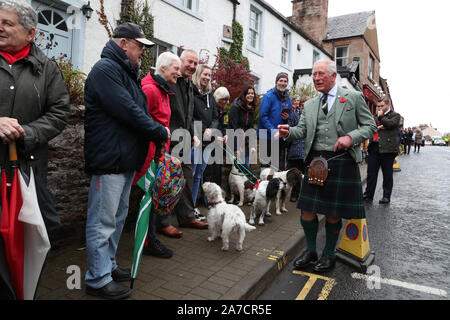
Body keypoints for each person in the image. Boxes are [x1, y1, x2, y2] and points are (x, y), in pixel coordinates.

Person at [83, 22, 170, 300]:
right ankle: (97, 279)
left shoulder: (125, 72)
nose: (143, 53)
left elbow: (136, 109)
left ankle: (106, 267)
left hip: (123, 160)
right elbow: (129, 110)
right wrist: (157, 130)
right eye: (140, 47)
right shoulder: (105, 70)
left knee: (117, 219)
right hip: (109, 159)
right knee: (102, 221)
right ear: (124, 43)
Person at [277, 60, 377, 273]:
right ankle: (311, 251)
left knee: (333, 213)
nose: (316, 78)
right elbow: (301, 130)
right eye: (314, 74)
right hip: (315, 162)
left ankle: (329, 253)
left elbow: (370, 125)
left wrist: (351, 137)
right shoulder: (311, 104)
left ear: (333, 76)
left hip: (341, 160)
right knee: (306, 210)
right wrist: (289, 131)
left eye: (320, 73)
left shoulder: (353, 98)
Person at [0, 1, 70, 237]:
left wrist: (28, 132)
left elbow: (60, 112)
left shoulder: (47, 70)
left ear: (30, 33)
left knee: (36, 235)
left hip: (27, 170)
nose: (0, 28)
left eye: (7, 23)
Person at [130, 51, 181, 259]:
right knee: (148, 199)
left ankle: (149, 238)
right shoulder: (150, 90)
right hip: (148, 156)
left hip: (158, 154)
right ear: (163, 68)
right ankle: (149, 241)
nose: (179, 73)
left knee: (153, 198)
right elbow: (140, 122)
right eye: (175, 69)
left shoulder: (163, 90)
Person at [160, 49, 208, 239]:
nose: (192, 66)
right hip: (170, 138)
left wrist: (193, 134)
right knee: (167, 180)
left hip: (185, 139)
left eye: (195, 64)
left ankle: (187, 216)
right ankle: (163, 222)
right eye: (189, 62)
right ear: (180, 61)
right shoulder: (172, 80)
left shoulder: (188, 83)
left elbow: (189, 113)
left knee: (187, 177)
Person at [191, 64, 220, 219]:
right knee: (193, 173)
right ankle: (189, 207)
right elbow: (190, 116)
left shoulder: (210, 95)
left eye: (209, 75)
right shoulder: (192, 92)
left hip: (208, 143)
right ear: (198, 74)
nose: (207, 77)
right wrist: (203, 129)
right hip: (195, 140)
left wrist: (212, 129)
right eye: (205, 74)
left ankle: (193, 207)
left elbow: (216, 117)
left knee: (199, 174)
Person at [363, 99, 401, 204]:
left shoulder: (395, 116)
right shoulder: (375, 117)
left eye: (382, 106)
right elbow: (371, 128)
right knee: (371, 173)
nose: (379, 108)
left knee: (387, 174)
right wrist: (379, 125)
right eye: (378, 106)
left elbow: (390, 124)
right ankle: (368, 194)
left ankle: (386, 196)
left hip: (388, 149)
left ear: (388, 105)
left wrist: (381, 118)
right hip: (374, 147)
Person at [258, 72, 292, 170]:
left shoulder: (287, 98)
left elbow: (288, 117)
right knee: (265, 167)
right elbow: (263, 117)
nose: (283, 83)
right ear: (276, 82)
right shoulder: (268, 96)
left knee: (275, 166)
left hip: (279, 137)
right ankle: (262, 185)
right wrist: (274, 131)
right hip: (266, 136)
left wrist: (286, 118)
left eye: (285, 81)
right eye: (281, 80)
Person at [203, 87, 230, 186]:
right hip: (209, 144)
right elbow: (207, 127)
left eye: (226, 99)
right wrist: (215, 137)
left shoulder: (223, 111)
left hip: (219, 145)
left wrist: (225, 134)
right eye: (222, 99)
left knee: (218, 171)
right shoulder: (210, 108)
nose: (224, 102)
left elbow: (223, 126)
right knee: (208, 171)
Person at [228, 85, 257, 169]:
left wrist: (252, 146)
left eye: (252, 93)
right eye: (248, 93)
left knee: (246, 168)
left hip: (245, 144)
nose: (251, 95)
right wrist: (236, 149)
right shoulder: (235, 108)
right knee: (237, 171)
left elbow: (251, 128)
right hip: (235, 142)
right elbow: (233, 128)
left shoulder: (251, 109)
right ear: (244, 95)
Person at [285, 95, 307, 202]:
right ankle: (293, 194)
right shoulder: (293, 114)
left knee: (303, 174)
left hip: (306, 149)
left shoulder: (309, 115)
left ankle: (301, 194)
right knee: (294, 173)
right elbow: (290, 130)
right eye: (303, 104)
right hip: (295, 148)